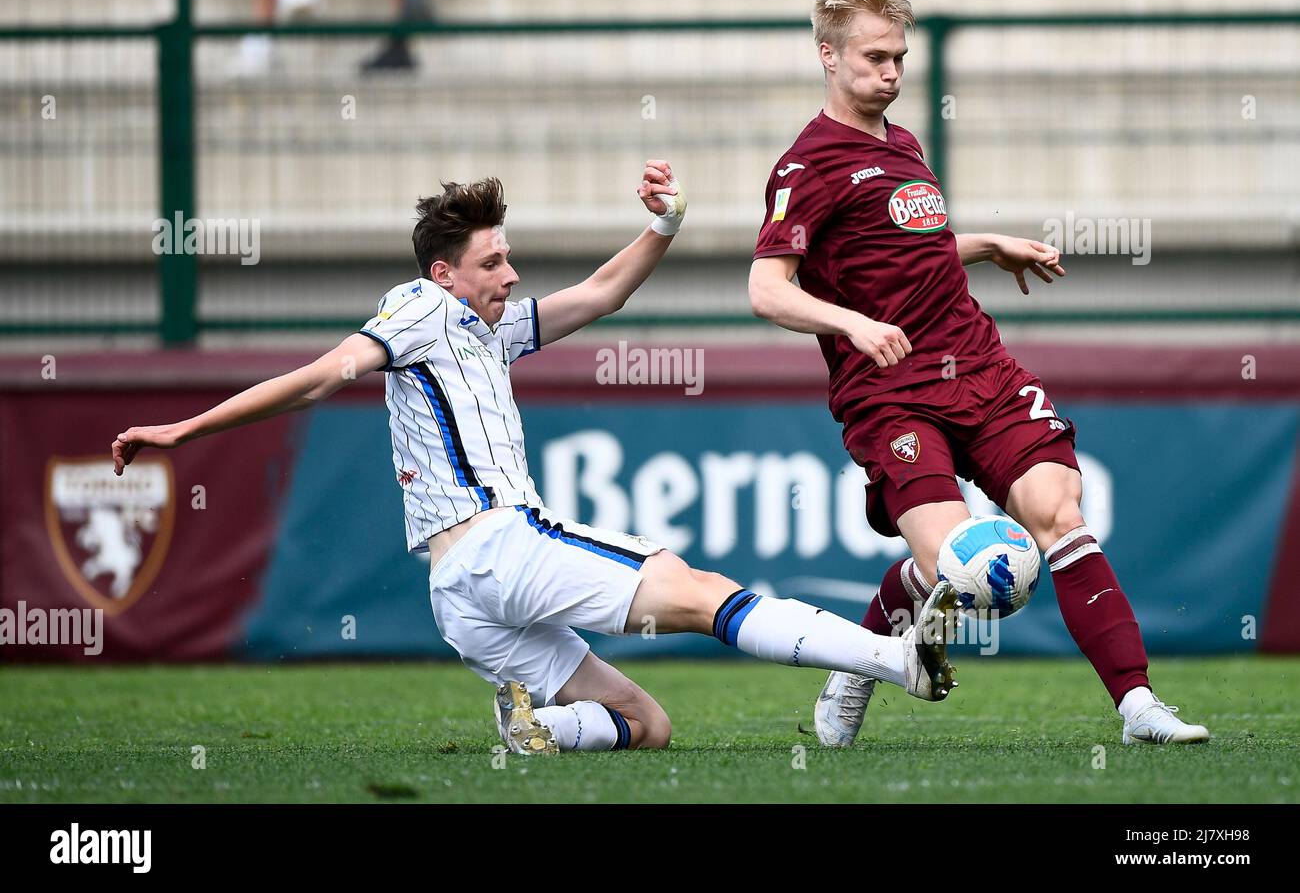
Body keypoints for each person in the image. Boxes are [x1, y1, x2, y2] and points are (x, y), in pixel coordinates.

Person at [112, 161, 962, 755]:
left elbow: (598, 294)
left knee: (645, 724)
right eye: (494, 261)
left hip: (460, 598)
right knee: (707, 597)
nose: (511, 273)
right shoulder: (417, 308)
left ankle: (538, 728)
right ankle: (895, 662)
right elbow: (321, 377)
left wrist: (663, 225)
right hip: (499, 546)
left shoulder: (483, 328)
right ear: (444, 274)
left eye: (509, 256)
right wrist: (184, 433)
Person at [747, 0, 1210, 747]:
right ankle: (858, 666)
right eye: (873, 58)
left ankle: (1138, 708)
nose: (891, 72)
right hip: (891, 393)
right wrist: (853, 325)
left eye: (899, 56)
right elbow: (767, 288)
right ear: (828, 57)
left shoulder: (904, 143)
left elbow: (900, 249)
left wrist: (983, 245)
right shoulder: (807, 165)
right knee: (963, 568)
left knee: (1061, 514)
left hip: (980, 368)